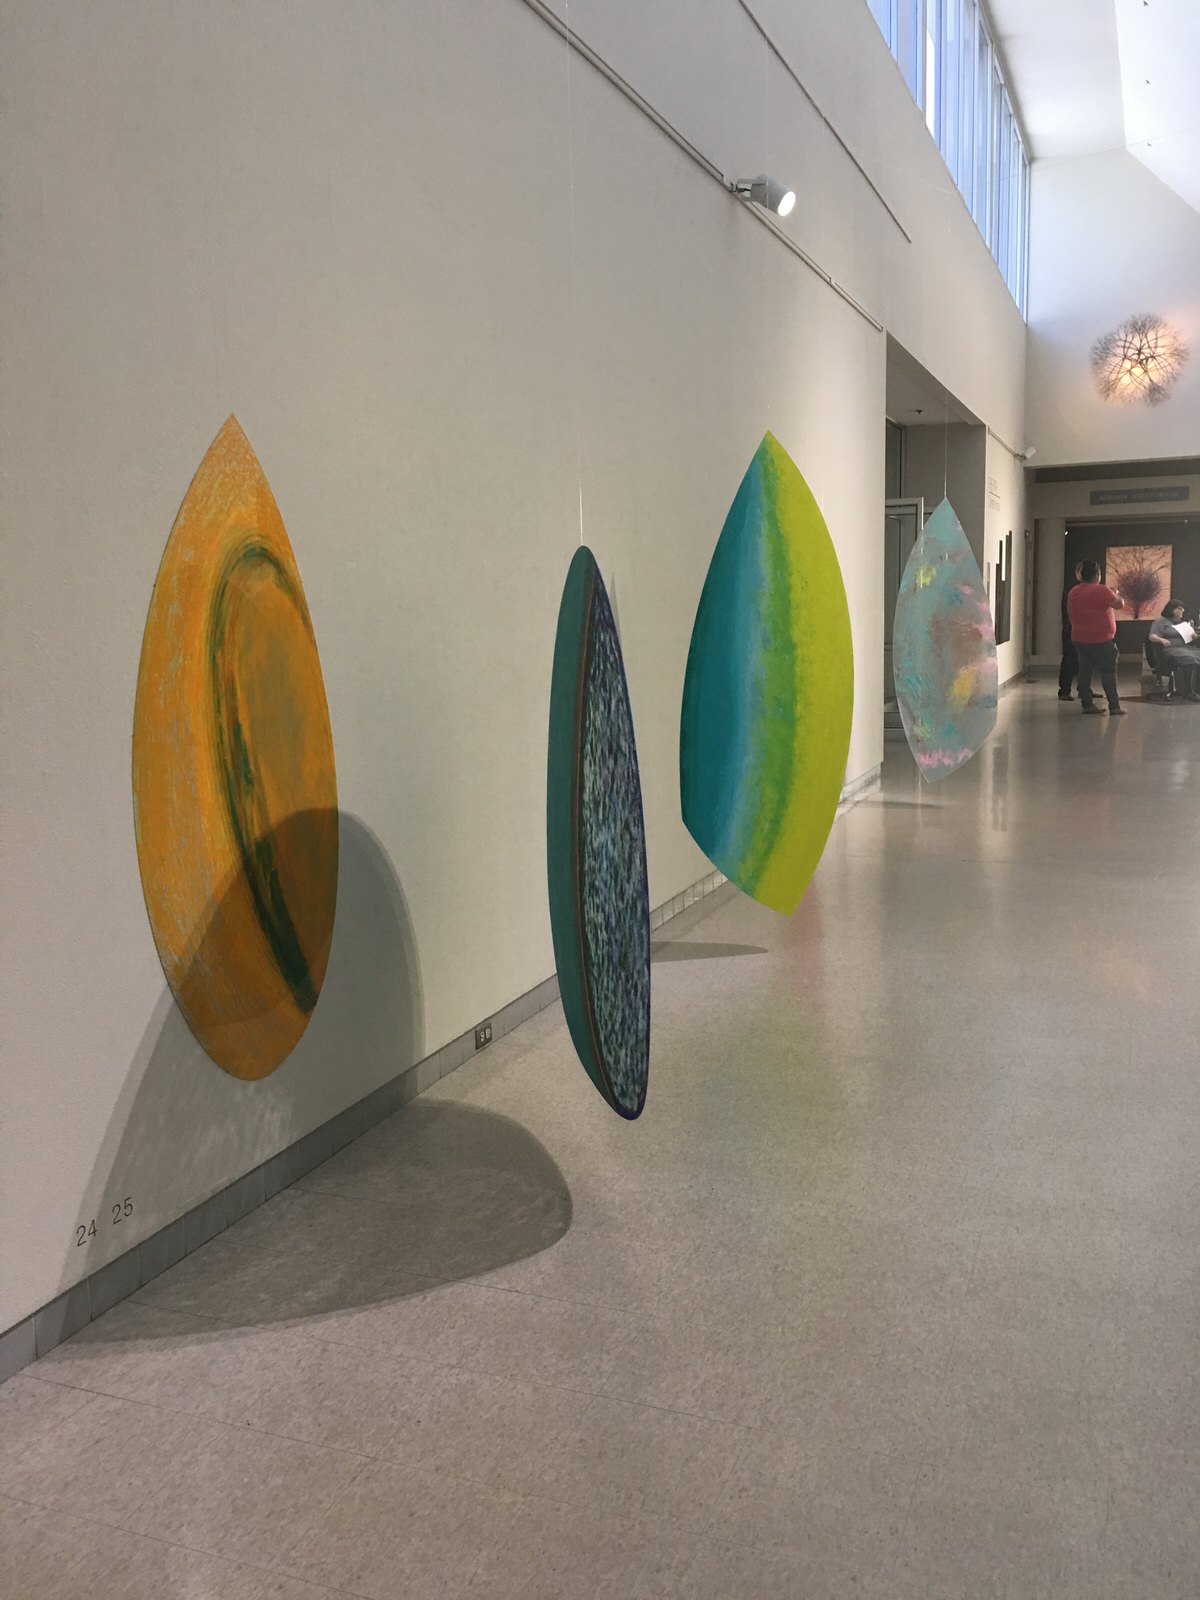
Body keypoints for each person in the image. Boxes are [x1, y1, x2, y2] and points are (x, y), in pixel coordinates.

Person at [1066, 559, 1126, 715]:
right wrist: (1115, 594)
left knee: (1084, 671)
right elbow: (1120, 604)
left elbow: (1070, 613)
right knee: (1108, 672)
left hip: (1079, 638)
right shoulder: (1102, 590)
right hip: (1102, 639)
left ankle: (1087, 704)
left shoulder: (1074, 591)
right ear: (1097, 574)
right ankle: (1114, 706)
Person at [1148, 600, 1200, 701]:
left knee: (1196, 655)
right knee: (1190, 659)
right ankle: (1189, 691)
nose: (1182, 611)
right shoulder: (1160, 622)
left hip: (1185, 648)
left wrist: (1194, 636)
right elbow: (1152, 636)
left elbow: (1190, 637)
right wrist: (1162, 640)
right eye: (1179, 608)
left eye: (1183, 609)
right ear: (1171, 610)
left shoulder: (1182, 623)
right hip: (1170, 649)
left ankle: (1197, 689)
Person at [1058, 560, 1087, 700]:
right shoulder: (1073, 590)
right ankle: (1064, 690)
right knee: (1070, 659)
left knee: (1085, 661)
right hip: (1071, 629)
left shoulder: (1082, 588)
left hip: (1082, 629)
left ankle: (1084, 689)